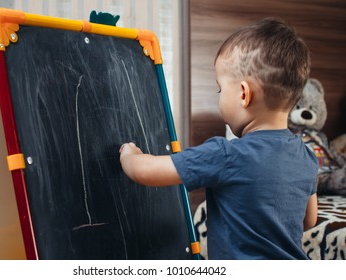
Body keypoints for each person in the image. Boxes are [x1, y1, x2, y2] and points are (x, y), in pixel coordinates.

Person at [119, 18, 318, 260]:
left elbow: (145, 172)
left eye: (220, 89)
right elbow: (309, 220)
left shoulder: (226, 154)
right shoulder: (308, 156)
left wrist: (130, 154)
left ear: (244, 94)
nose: (220, 97)